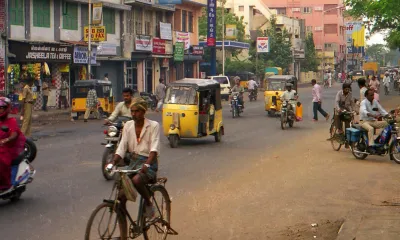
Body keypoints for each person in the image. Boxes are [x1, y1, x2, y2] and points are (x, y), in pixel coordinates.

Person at [108, 98, 160, 218]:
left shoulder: (153, 126)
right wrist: (113, 162)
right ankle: (123, 233)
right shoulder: (128, 126)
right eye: (132, 111)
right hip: (134, 162)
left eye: (136, 111)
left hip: (149, 163)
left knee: (137, 180)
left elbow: (154, 148)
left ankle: (148, 203)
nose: (133, 114)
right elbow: (122, 147)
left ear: (143, 112)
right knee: (120, 196)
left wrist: (147, 164)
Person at [0, 97, 26, 191]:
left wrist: (6, 140)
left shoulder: (12, 121)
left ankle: (5, 185)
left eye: (1, 108)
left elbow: (14, 134)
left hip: (8, 148)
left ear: (6, 108)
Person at [360, 89, 389, 153]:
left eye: (373, 95)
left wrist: (388, 115)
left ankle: (380, 140)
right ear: (366, 96)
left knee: (387, 124)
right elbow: (364, 111)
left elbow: (381, 110)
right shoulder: (363, 102)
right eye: (371, 95)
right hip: (364, 121)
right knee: (371, 129)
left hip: (372, 121)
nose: (373, 96)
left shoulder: (375, 101)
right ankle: (370, 146)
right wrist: (372, 115)